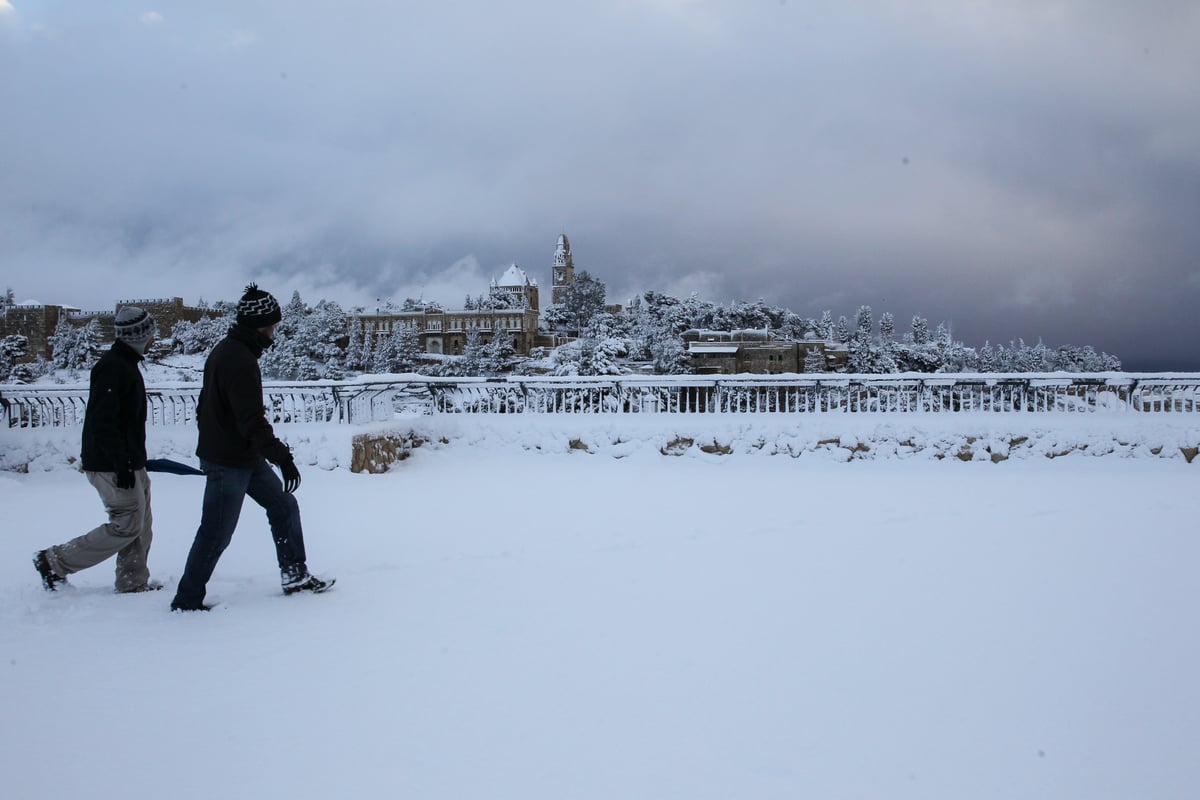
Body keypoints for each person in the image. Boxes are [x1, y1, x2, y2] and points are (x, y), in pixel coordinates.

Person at [170, 284, 332, 612]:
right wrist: (283, 458)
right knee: (216, 533)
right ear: (260, 325)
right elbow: (251, 421)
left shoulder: (230, 351)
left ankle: (295, 575)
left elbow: (208, 406)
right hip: (227, 460)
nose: (274, 332)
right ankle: (187, 600)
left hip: (244, 455)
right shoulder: (238, 360)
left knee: (284, 506)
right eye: (272, 325)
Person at [33, 307, 161, 593]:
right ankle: (54, 561)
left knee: (141, 523)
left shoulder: (126, 364)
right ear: (139, 336)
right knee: (127, 525)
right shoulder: (113, 367)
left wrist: (132, 461)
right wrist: (122, 464)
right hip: (111, 464)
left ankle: (132, 581)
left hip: (127, 461)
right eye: (151, 334)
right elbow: (104, 423)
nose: (154, 339)